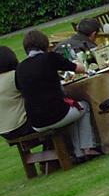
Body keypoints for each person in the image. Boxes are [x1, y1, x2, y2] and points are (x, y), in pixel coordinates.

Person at [14, 30, 99, 159]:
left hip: (35, 121)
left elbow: (21, 89)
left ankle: (79, 153)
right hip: (56, 114)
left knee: (72, 110)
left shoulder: (20, 68)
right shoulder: (50, 58)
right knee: (84, 106)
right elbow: (79, 69)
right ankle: (87, 146)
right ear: (44, 44)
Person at [0, 46, 33, 141]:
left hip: (4, 131)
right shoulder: (14, 75)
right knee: (57, 115)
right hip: (21, 125)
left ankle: (51, 149)